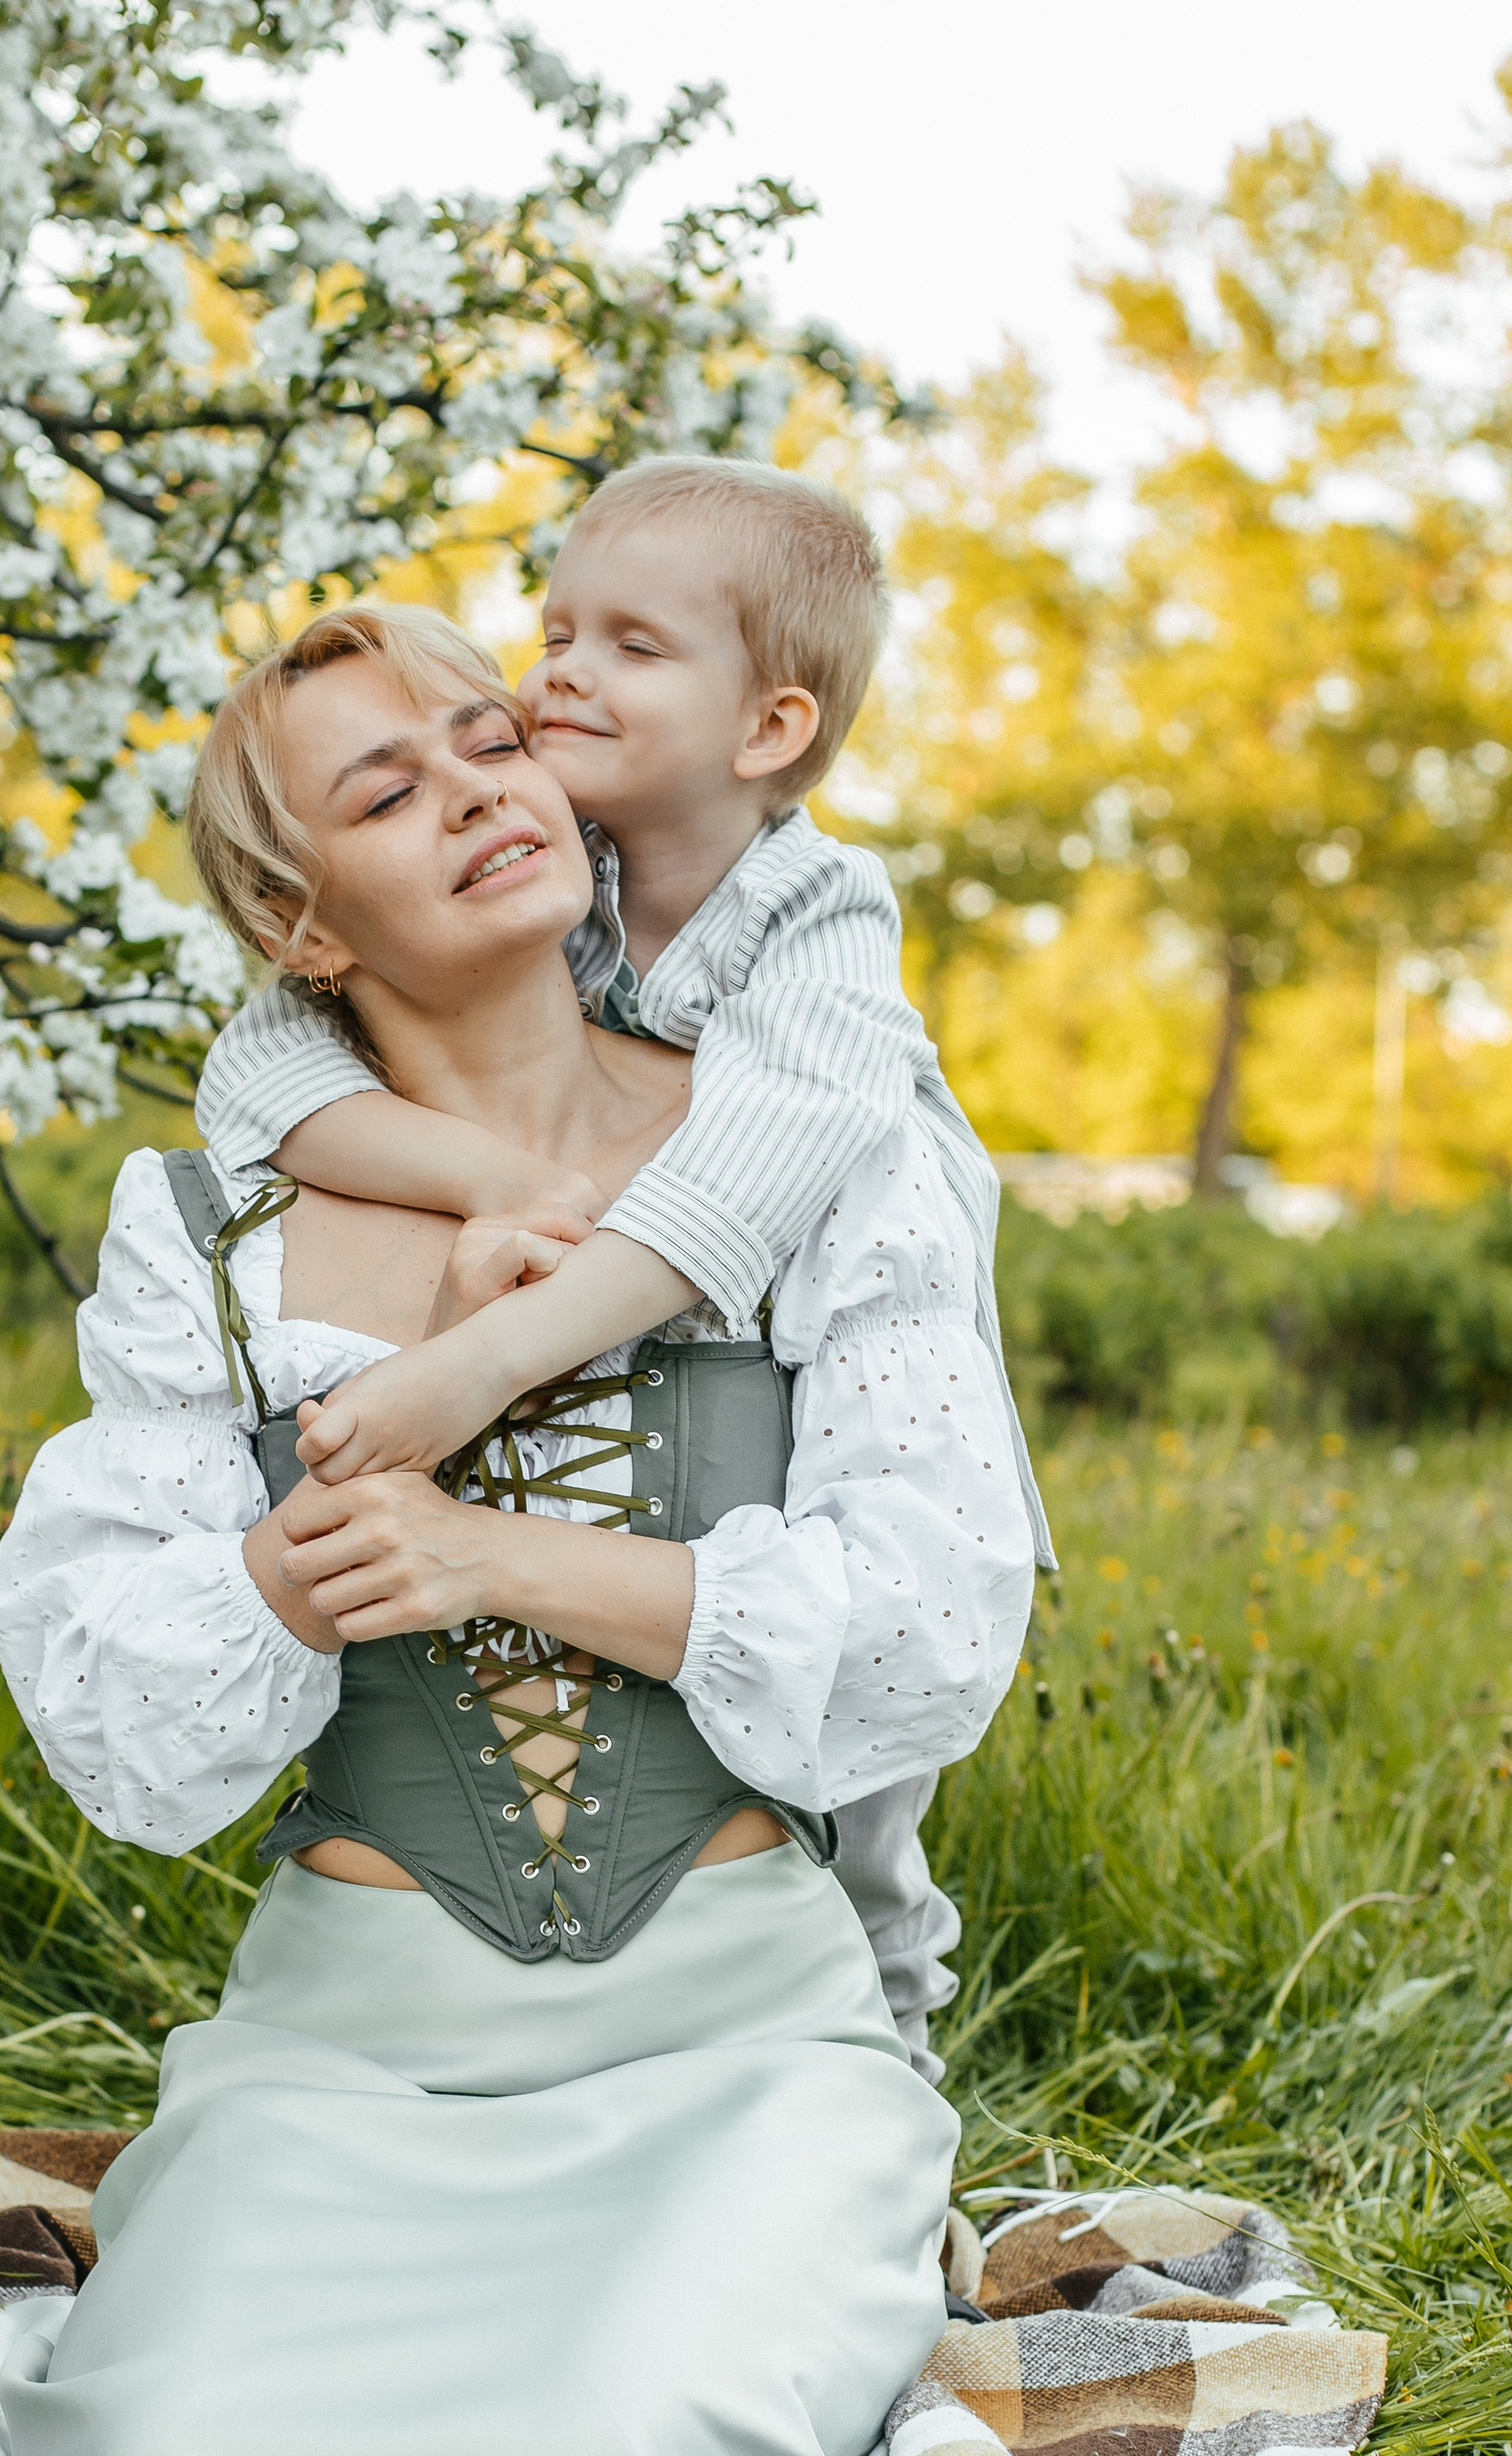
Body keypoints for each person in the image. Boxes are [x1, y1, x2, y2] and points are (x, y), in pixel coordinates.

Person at [0, 607, 1035, 2456]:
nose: (478, 791)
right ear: (300, 922)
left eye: (490, 738)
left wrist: (492, 1555)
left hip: (733, 2039)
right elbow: (115, 1718)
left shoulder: (808, 1147)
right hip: (345, 2049)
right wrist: (278, 1570)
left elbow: (931, 1618)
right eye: (383, 789)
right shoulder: (216, 1242)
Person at [195, 457, 1050, 2084]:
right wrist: (494, 1174)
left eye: (631, 647)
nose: (561, 674)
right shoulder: (565, 858)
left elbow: (732, 1193)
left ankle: (882, 2040)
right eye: (555, 633)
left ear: (769, 732)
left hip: (852, 1321)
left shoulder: (817, 921)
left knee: (859, 1791)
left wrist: (479, 1365)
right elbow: (260, 1082)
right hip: (636, 1246)